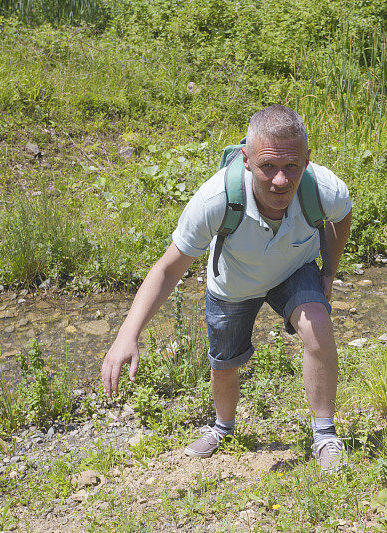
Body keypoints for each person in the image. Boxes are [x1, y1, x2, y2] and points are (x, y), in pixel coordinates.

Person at [101, 105, 352, 472]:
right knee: (224, 366)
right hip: (233, 284)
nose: (280, 180)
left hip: (294, 267)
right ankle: (223, 428)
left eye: (292, 167)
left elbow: (342, 216)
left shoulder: (324, 189)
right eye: (268, 166)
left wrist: (329, 269)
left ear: (307, 160)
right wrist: (128, 334)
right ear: (247, 160)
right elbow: (168, 269)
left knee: (318, 328)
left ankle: (326, 435)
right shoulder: (215, 200)